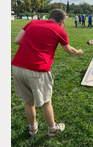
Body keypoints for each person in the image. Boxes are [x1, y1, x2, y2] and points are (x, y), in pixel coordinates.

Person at [11, 9, 84, 137]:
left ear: (49, 17)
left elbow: (17, 40)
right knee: (46, 102)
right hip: (38, 70)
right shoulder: (60, 30)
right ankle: (52, 129)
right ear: (61, 22)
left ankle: (32, 129)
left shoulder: (32, 23)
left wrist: (33, 44)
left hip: (17, 67)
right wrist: (77, 52)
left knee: (28, 102)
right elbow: (68, 50)